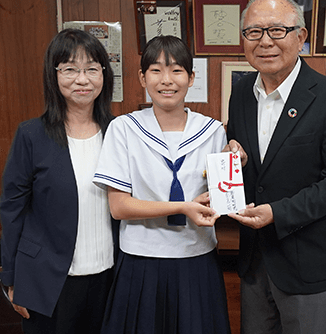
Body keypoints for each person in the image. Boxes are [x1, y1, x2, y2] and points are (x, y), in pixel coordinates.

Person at [226, 0, 326, 334]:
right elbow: (257, 167)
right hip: (255, 260)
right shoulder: (242, 92)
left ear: (301, 37)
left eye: (277, 30)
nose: (265, 42)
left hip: (310, 263)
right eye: (253, 32)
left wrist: (278, 213)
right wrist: (237, 159)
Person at [93, 35, 231, 334]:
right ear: (143, 78)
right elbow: (119, 207)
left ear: (191, 78)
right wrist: (182, 207)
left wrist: (235, 168)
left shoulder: (212, 131)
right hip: (141, 260)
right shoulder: (124, 129)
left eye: (176, 70)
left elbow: (222, 199)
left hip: (196, 257)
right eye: (156, 70)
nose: (166, 80)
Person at [0, 28, 117, 333]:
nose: (82, 80)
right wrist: (11, 278)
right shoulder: (31, 135)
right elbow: (12, 210)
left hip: (109, 275)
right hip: (46, 279)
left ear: (104, 75)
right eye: (70, 69)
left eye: (92, 69)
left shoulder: (119, 132)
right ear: (54, 75)